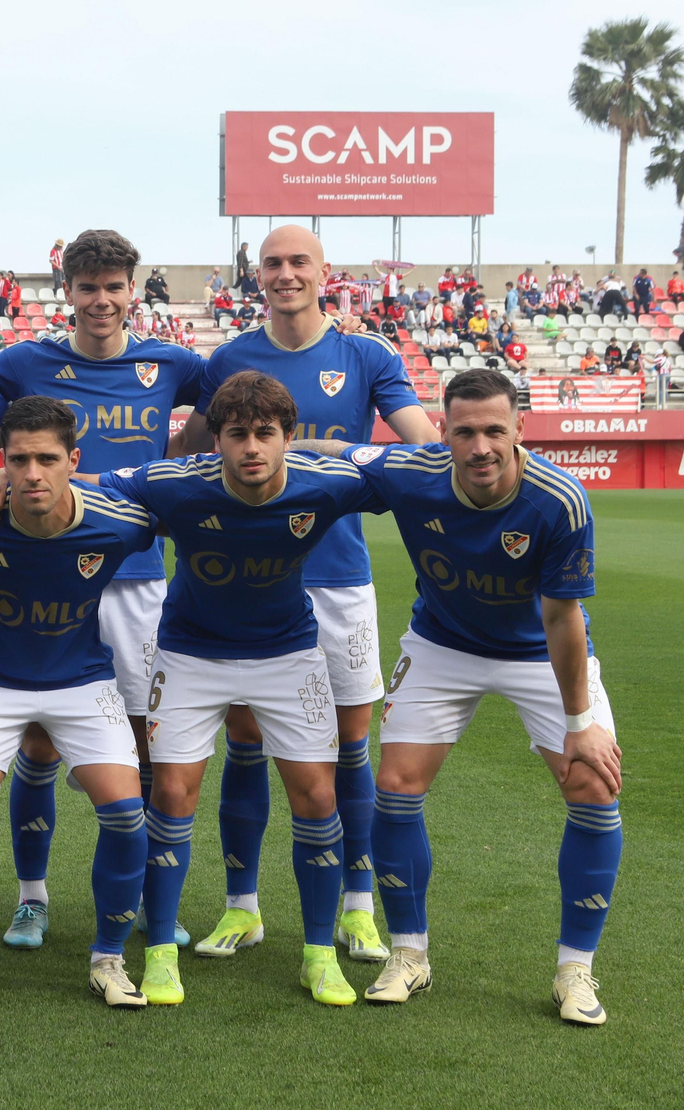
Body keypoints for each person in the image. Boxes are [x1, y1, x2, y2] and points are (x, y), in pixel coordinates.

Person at [298, 368, 620, 1024]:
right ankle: (409, 955)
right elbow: (335, 454)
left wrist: (580, 721)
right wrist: (266, 453)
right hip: (444, 644)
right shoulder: (409, 471)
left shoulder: (559, 500)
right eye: (465, 432)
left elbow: (563, 620)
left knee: (592, 783)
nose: (481, 447)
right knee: (396, 783)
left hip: (538, 651)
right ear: (443, 432)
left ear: (519, 430)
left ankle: (574, 969)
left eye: (495, 431)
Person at [169, 224, 438, 965]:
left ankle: (356, 908)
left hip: (338, 580)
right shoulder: (228, 359)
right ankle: (242, 908)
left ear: (326, 273)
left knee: (352, 747)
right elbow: (187, 457)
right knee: (246, 741)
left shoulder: (366, 354)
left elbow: (421, 447)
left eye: (298, 263)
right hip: (249, 584)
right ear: (257, 276)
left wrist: (322, 451)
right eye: (272, 264)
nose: (285, 274)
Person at [100, 371, 385, 1006]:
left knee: (316, 793)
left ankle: (317, 955)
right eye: (237, 435)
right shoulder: (175, 484)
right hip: (191, 652)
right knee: (172, 790)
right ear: (217, 442)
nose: (251, 447)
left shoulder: (325, 485)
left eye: (266, 434)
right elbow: (94, 487)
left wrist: (340, 450)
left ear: (289, 438)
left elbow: (408, 471)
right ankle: (161, 954)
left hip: (288, 654)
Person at [0, 229, 209, 949]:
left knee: (142, 741)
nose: (101, 300)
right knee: (39, 742)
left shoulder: (172, 363)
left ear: (135, 290)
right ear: (65, 292)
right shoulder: (20, 363)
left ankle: (140, 895)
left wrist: (173, 462)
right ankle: (32, 898)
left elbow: (226, 408)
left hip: (135, 578)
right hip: (48, 574)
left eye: (114, 286)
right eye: (87, 287)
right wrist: (2, 475)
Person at [0, 397, 156, 1008]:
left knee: (128, 816)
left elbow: (188, 510)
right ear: (0, 462)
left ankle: (108, 958)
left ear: (73, 461)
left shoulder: (119, 523)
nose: (31, 474)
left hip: (81, 680)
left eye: (47, 459)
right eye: (17, 460)